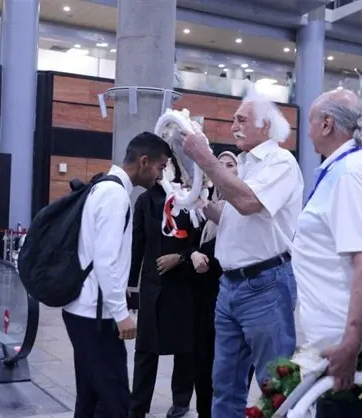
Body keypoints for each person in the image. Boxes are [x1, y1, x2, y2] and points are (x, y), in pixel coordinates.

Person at [182, 92, 302, 416]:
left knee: (277, 387)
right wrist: (203, 204)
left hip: (266, 284)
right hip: (231, 285)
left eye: (241, 119)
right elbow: (235, 217)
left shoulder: (281, 162)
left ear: (265, 125)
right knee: (225, 385)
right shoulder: (246, 165)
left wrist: (206, 158)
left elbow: (249, 203)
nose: (233, 126)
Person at [292, 89, 362, 418]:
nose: (307, 131)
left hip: (357, 335)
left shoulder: (350, 174)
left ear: (327, 123)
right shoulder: (347, 167)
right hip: (342, 328)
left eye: (311, 122)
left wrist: (351, 344)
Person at [62, 132, 171, 418]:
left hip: (83, 310)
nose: (160, 176)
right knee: (115, 401)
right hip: (95, 316)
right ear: (144, 161)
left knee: (90, 397)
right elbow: (105, 261)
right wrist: (121, 314)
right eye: (160, 167)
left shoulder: (102, 185)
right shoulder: (115, 195)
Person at [190, 150, 253, 418]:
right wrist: (192, 253)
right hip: (204, 299)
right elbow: (189, 242)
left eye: (231, 165)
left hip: (233, 295)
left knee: (232, 369)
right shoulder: (205, 207)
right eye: (220, 164)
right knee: (203, 364)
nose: (224, 168)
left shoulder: (243, 208)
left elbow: (233, 238)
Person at [128, 177, 198, 418]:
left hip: (184, 283)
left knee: (185, 346)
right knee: (146, 346)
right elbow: (137, 243)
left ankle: (181, 400)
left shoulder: (188, 199)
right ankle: (138, 404)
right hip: (152, 283)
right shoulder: (145, 200)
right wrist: (131, 284)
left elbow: (198, 241)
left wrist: (180, 257)